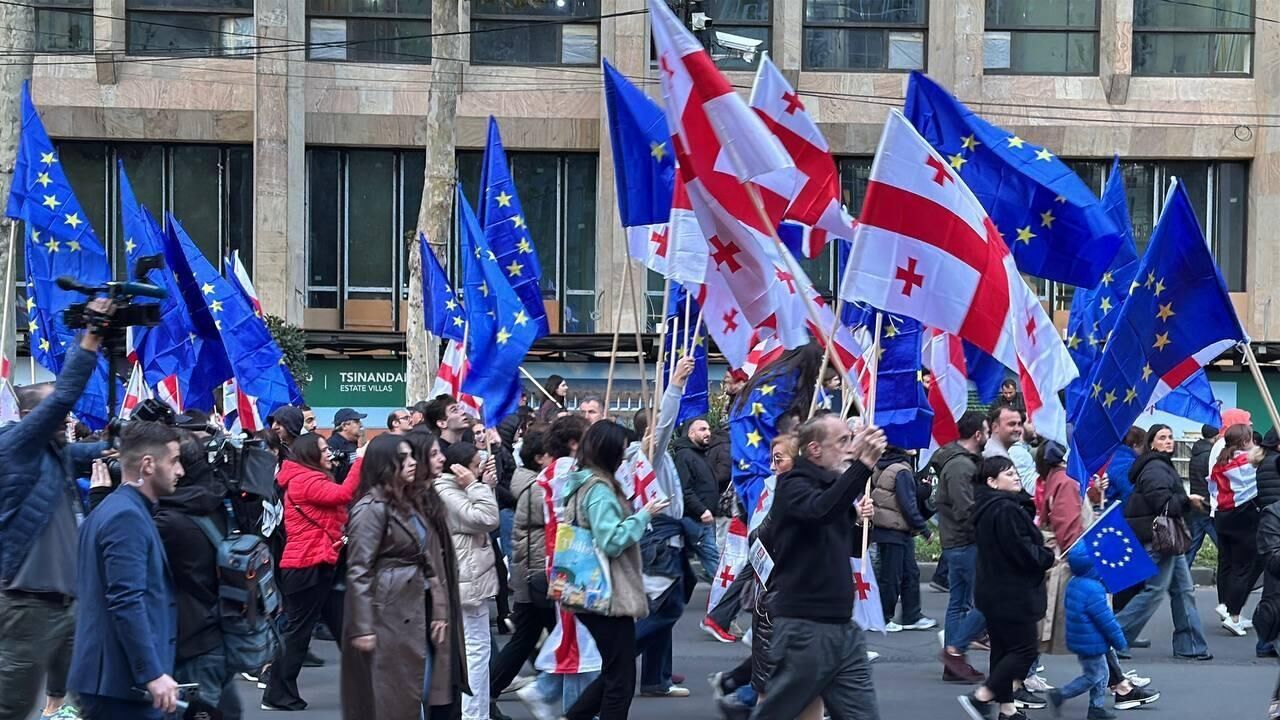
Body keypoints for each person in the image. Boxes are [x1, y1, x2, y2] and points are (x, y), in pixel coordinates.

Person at [0, 306, 112, 720]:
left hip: (68, 602)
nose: (67, 419)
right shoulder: (15, 448)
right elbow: (64, 394)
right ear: (31, 418)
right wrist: (91, 337)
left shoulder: (55, 454)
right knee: (10, 706)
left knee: (79, 693)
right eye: (55, 414)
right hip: (26, 604)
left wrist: (133, 439)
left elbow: (97, 452)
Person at [747, 415, 880, 720]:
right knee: (778, 712)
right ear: (815, 449)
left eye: (851, 438)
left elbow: (851, 548)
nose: (850, 447)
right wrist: (861, 467)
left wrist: (860, 519)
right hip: (805, 625)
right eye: (843, 441)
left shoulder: (835, 485)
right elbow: (820, 512)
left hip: (843, 627)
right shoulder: (793, 484)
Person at [69, 421, 184, 720]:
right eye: (173, 460)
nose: (180, 470)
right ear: (148, 465)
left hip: (114, 681)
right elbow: (125, 600)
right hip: (121, 685)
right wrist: (152, 672)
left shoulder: (114, 508)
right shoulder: (125, 516)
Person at [1036, 443, 1159, 710]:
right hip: (1073, 567)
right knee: (1094, 630)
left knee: (1041, 633)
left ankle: (1118, 685)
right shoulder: (1068, 481)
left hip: (1067, 566)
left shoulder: (1059, 479)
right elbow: (1070, 535)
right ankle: (1117, 687)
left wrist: (1093, 496)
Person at [560, 421, 669, 720]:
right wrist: (643, 515)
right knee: (620, 679)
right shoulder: (599, 489)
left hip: (591, 590)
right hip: (606, 594)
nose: (623, 456)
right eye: (620, 450)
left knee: (614, 671)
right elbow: (610, 540)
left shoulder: (584, 482)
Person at [262, 433, 363, 711]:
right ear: (309, 455)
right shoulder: (306, 481)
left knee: (346, 627)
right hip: (307, 567)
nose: (329, 453)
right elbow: (343, 494)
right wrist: (360, 462)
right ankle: (276, 693)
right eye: (323, 449)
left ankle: (366, 686)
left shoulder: (304, 478)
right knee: (297, 634)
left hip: (319, 564)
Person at [341, 434, 434, 719]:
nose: (412, 463)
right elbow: (358, 569)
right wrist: (364, 626)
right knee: (395, 695)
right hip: (389, 612)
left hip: (411, 606)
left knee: (414, 689)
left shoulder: (405, 502)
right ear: (384, 464)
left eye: (412, 456)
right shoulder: (372, 508)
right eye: (403, 458)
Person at [155, 431, 245, 719]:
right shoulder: (212, 499)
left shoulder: (169, 521)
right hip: (217, 629)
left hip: (191, 639)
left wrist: (101, 497)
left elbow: (119, 553)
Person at [958, 456, 1054, 720]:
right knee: (1025, 651)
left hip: (994, 590)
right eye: (1008, 474)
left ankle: (1007, 708)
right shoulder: (1006, 509)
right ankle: (982, 696)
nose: (1015, 477)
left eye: (1015, 472)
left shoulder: (988, 507)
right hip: (1013, 592)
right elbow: (1021, 550)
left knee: (1002, 650)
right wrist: (1047, 556)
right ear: (992, 481)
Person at [1116, 424, 1211, 660]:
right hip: (1160, 536)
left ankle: (1190, 646)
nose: (1168, 441)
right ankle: (1110, 638)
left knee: (1183, 590)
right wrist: (1189, 500)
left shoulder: (1159, 466)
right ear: (1151, 444)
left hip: (1168, 537)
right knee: (1155, 591)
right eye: (1162, 438)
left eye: (1170, 437)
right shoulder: (1155, 468)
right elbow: (1164, 504)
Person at [405, 432, 469, 717]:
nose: (442, 457)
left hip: (438, 602)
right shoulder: (408, 504)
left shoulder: (431, 495)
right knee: (429, 685)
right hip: (423, 607)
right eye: (432, 454)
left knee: (441, 684)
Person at [435, 442, 500, 720]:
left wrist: (484, 485)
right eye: (475, 465)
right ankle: (474, 714)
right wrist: (477, 485)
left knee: (478, 650)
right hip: (466, 580)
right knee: (475, 652)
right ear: (460, 467)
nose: (478, 470)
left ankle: (477, 711)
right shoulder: (445, 490)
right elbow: (486, 517)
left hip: (470, 578)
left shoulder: (458, 488)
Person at [491, 432, 557, 701]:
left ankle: (490, 690)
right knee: (562, 637)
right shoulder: (537, 488)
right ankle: (548, 689)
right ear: (540, 458)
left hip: (533, 570)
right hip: (537, 571)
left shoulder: (533, 483)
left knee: (526, 638)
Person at [936, 410, 990, 683]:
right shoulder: (961, 467)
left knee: (958, 603)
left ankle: (953, 661)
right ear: (978, 434)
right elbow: (966, 510)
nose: (988, 437)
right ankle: (955, 653)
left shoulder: (963, 463)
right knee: (987, 601)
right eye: (987, 431)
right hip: (965, 543)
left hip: (957, 543)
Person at [1049, 545, 1130, 720]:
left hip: (1081, 639)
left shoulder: (1075, 583)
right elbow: (1106, 620)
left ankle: (1096, 708)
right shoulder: (1093, 589)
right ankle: (1062, 694)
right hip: (1092, 641)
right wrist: (1120, 641)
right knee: (1095, 675)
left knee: (1102, 673)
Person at [870, 444, 936, 632]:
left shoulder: (884, 464)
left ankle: (911, 615)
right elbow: (907, 504)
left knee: (909, 573)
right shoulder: (901, 470)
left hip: (892, 528)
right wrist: (925, 530)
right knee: (892, 577)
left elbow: (896, 496)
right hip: (894, 529)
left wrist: (922, 489)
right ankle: (884, 617)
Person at [1210, 423, 1265, 636]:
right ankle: (1233, 616)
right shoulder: (1247, 461)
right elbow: (1261, 456)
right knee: (1243, 569)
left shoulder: (1221, 462)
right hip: (1244, 518)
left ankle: (1230, 608)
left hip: (1223, 517)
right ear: (1244, 441)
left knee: (1231, 566)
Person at [675, 417, 722, 590]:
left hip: (702, 520)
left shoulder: (699, 454)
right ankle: (724, 602)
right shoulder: (685, 456)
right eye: (702, 429)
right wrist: (701, 510)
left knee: (708, 562)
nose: (708, 433)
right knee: (714, 564)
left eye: (708, 429)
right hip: (695, 520)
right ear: (691, 433)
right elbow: (684, 489)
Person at [1187, 424, 1221, 567]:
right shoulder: (1210, 456)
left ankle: (1179, 577)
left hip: (1197, 503)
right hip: (1208, 504)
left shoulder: (1196, 454)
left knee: (1193, 544)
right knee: (1223, 543)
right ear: (1216, 436)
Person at [327, 408, 366, 481]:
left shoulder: (353, 442)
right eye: (356, 421)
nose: (361, 425)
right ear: (344, 426)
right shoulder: (332, 445)